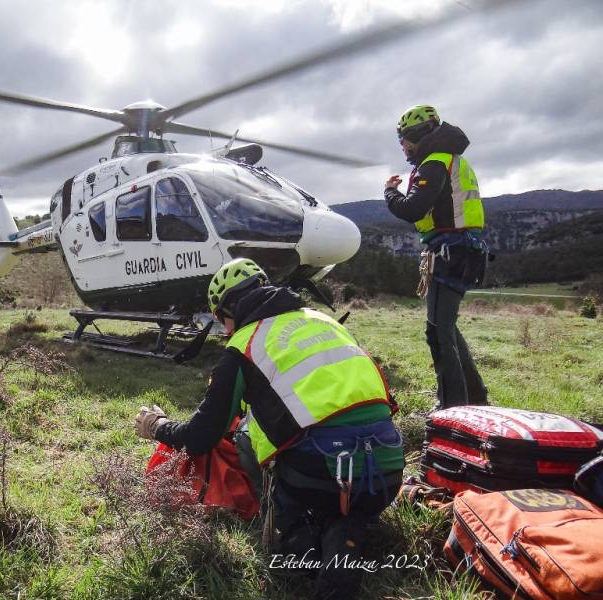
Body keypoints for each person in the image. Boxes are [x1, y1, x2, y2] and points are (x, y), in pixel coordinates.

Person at [135, 258, 404, 600]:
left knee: (248, 433)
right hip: (387, 470)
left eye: (221, 320)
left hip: (319, 476)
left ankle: (297, 534)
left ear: (228, 311)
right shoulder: (325, 322)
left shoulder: (243, 346)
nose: (225, 329)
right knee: (333, 471)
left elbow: (201, 438)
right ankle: (344, 524)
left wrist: (156, 426)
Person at [384, 104, 489, 411]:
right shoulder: (451, 159)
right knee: (447, 326)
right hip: (461, 250)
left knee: (437, 330)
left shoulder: (435, 163)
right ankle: (475, 396)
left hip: (449, 251)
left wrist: (390, 192)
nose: (402, 145)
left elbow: (412, 209)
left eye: (403, 138)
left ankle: (452, 406)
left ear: (418, 134)